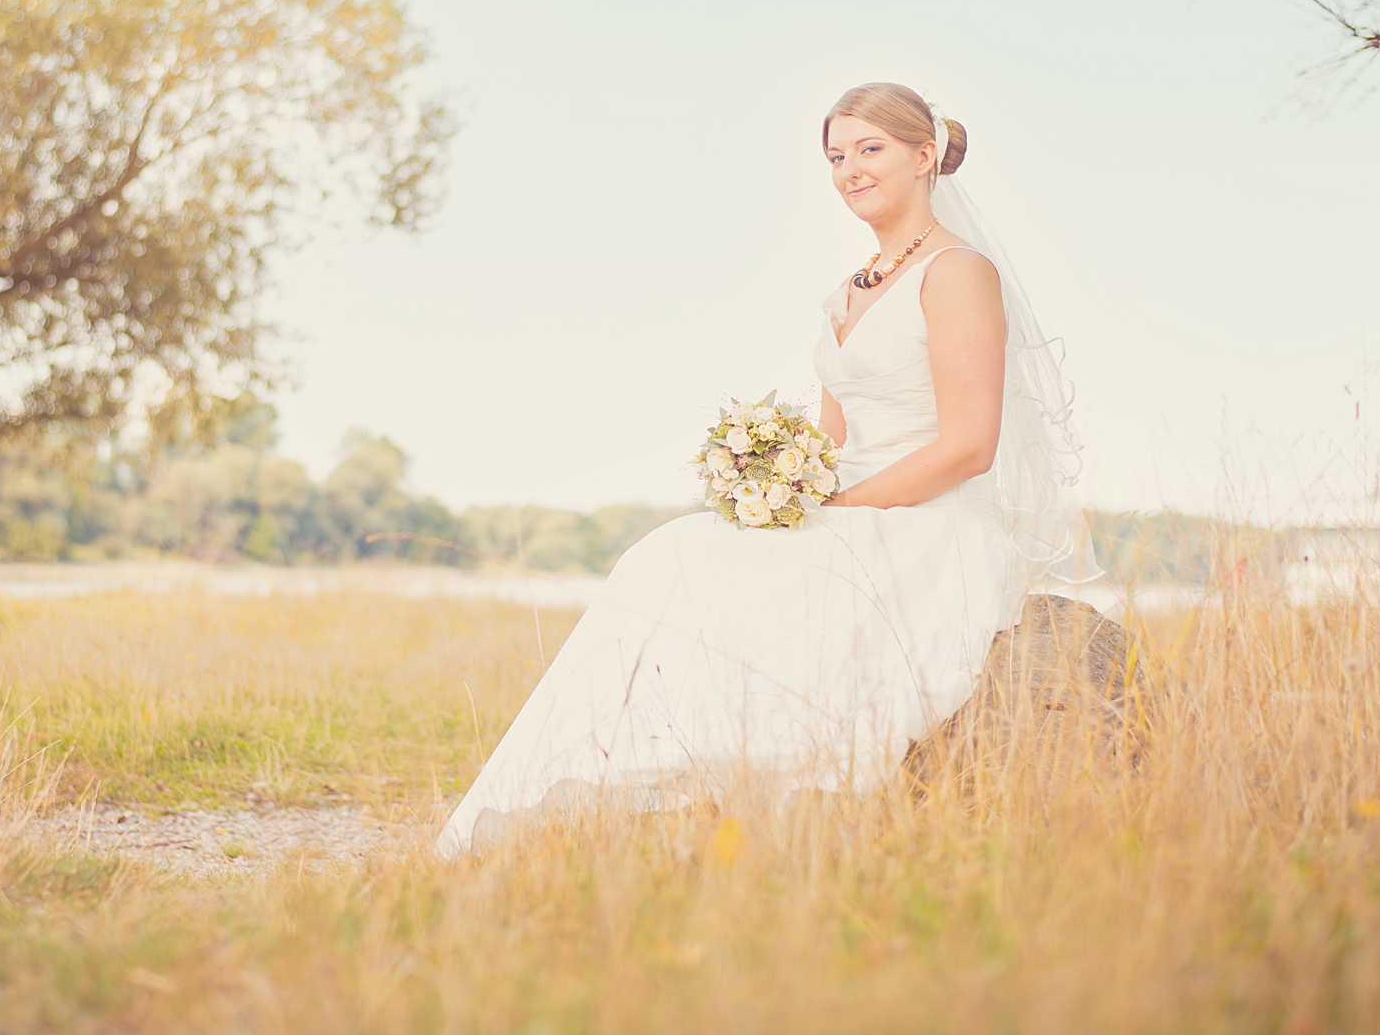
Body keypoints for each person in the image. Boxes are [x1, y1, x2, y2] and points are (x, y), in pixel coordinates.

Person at [434, 83, 1089, 856]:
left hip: (929, 518)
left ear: (923, 155)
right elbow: (830, 444)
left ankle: (730, 797)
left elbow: (968, 446)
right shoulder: (847, 294)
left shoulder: (956, 271)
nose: (849, 169)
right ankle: (590, 792)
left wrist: (839, 505)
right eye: (835, 156)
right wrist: (780, 485)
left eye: (869, 149)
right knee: (669, 554)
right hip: (851, 503)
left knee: (704, 563)